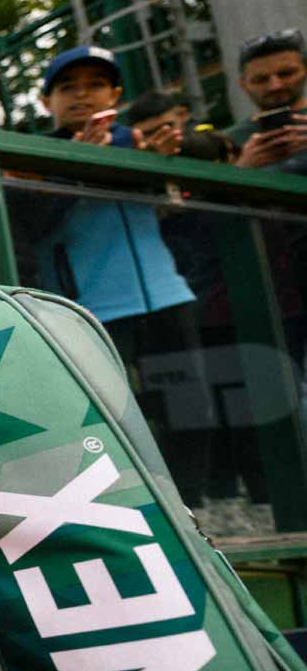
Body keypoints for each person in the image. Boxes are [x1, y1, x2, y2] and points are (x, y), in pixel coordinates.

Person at [22, 44, 212, 504]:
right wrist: (73, 170)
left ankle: (196, 506)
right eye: (68, 87)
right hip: (90, 309)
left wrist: (164, 159)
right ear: (47, 101)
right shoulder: (30, 152)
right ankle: (138, 507)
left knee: (191, 405)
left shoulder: (136, 140)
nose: (82, 96)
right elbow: (30, 226)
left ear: (116, 94)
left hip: (166, 293)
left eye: (95, 85)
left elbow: (204, 156)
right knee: (114, 413)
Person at [225, 28, 307, 171]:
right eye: (260, 80)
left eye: (286, 74)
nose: (275, 86)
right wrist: (242, 169)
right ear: (243, 85)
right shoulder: (228, 141)